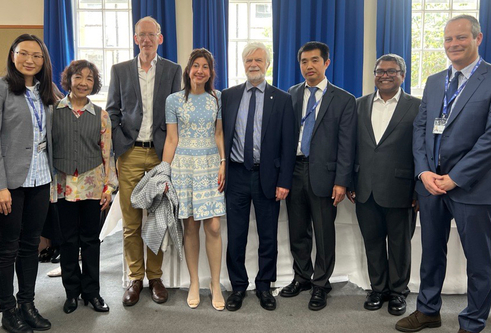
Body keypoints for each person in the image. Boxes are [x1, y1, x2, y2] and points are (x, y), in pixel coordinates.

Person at [396, 15, 491, 333]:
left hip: (473, 187)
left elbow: (490, 139)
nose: (453, 44)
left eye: (461, 38)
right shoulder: (436, 81)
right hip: (431, 185)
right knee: (431, 253)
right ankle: (427, 310)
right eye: (448, 39)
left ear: (478, 39)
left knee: (479, 260)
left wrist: (456, 177)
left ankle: (474, 320)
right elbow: (421, 128)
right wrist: (423, 172)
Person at [106, 16, 182, 306]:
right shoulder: (121, 70)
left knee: (158, 217)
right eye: (141, 35)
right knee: (131, 219)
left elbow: (177, 109)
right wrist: (118, 147)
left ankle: (156, 277)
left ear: (160, 39)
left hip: (161, 153)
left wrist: (170, 159)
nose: (147, 40)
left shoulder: (173, 70)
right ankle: (136, 278)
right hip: (131, 152)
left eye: (152, 35)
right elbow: (112, 110)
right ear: (135, 38)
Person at [280, 41, 356, 311]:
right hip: (295, 170)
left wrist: (342, 181)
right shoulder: (291, 94)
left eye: (314, 60)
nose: (308, 66)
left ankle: (321, 284)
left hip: (325, 174)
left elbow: (347, 145)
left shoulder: (344, 99)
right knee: (298, 230)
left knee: (324, 233)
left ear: (327, 63)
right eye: (303, 61)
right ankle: (302, 277)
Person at [222, 42, 296, 312]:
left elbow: (289, 145)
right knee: (237, 236)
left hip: (268, 177)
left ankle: (264, 285)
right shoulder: (228, 97)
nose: (254, 64)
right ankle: (238, 286)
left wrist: (284, 181)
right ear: (243, 65)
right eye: (249, 60)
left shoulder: (282, 98)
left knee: (268, 236)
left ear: (268, 64)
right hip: (237, 176)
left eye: (259, 60)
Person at [346, 54, 420, 316]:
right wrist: (349, 181)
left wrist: (418, 189)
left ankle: (399, 292)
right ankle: (378, 289)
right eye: (380, 71)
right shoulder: (358, 104)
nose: (385, 75)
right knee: (373, 242)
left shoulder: (418, 106)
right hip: (365, 187)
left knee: (400, 245)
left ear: (403, 74)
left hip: (401, 190)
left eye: (391, 71)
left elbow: (422, 150)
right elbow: (350, 147)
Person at [0, 34, 56, 333]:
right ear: (13, 56)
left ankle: (28, 304)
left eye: (36, 55)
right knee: (7, 248)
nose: (29, 60)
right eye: (23, 54)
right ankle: (7, 311)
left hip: (41, 179)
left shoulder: (47, 92)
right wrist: (0, 186)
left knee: (30, 245)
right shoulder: (3, 89)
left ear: (43, 60)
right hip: (10, 182)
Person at [52, 60, 118, 314]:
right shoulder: (54, 111)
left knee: (91, 241)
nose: (83, 83)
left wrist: (108, 188)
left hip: (92, 186)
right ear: (69, 79)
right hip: (63, 185)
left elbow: (107, 154)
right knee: (67, 241)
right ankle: (71, 292)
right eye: (78, 77)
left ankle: (92, 292)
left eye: (89, 79)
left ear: (94, 84)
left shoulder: (101, 115)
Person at [163, 48, 226, 310]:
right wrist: (164, 172)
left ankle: (215, 283)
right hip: (184, 168)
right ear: (188, 69)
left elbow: (219, 134)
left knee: (213, 226)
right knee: (190, 226)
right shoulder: (174, 100)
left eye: (205, 66)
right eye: (196, 65)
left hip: (211, 166)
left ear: (211, 72)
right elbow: (171, 139)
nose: (200, 70)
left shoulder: (217, 98)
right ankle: (192, 282)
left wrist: (223, 163)